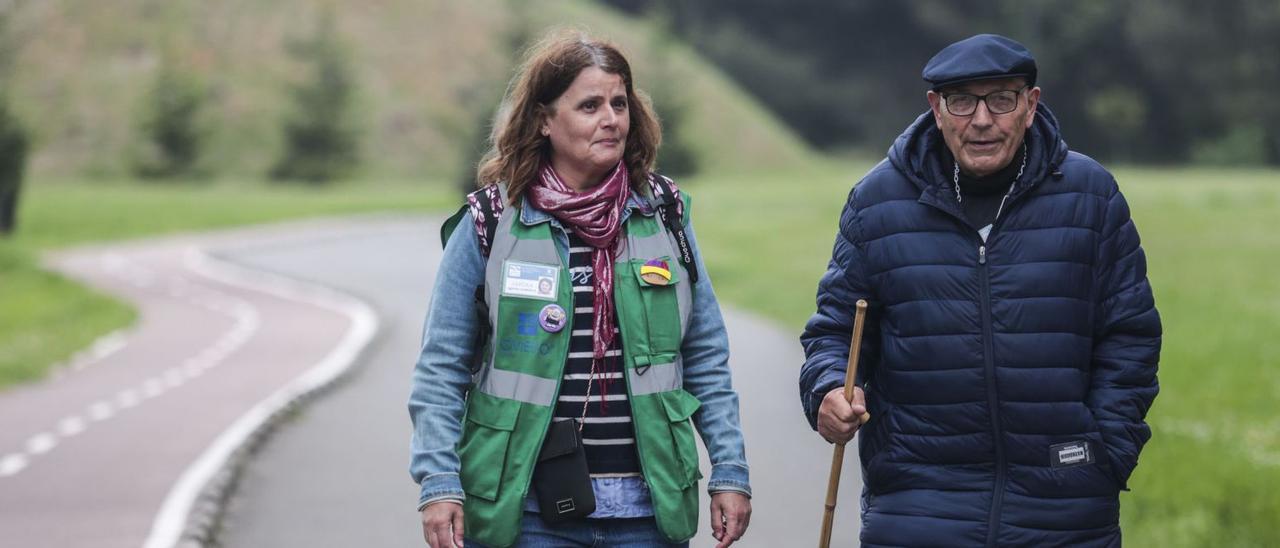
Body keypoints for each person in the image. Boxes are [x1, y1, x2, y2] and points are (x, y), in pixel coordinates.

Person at [799, 34, 1160, 546]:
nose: (983, 119)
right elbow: (835, 330)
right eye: (962, 101)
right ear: (937, 109)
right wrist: (828, 390)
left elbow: (1131, 334)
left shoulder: (1091, 195)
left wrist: (1105, 452)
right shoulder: (876, 201)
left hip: (1065, 507)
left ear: (1031, 106)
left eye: (1002, 99)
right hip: (917, 506)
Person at [410, 30, 752, 548]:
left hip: (648, 510)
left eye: (619, 103)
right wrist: (438, 482)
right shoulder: (491, 220)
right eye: (590, 105)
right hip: (523, 509)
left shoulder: (664, 214)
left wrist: (728, 468)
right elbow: (441, 366)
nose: (610, 118)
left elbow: (703, 352)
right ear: (545, 120)